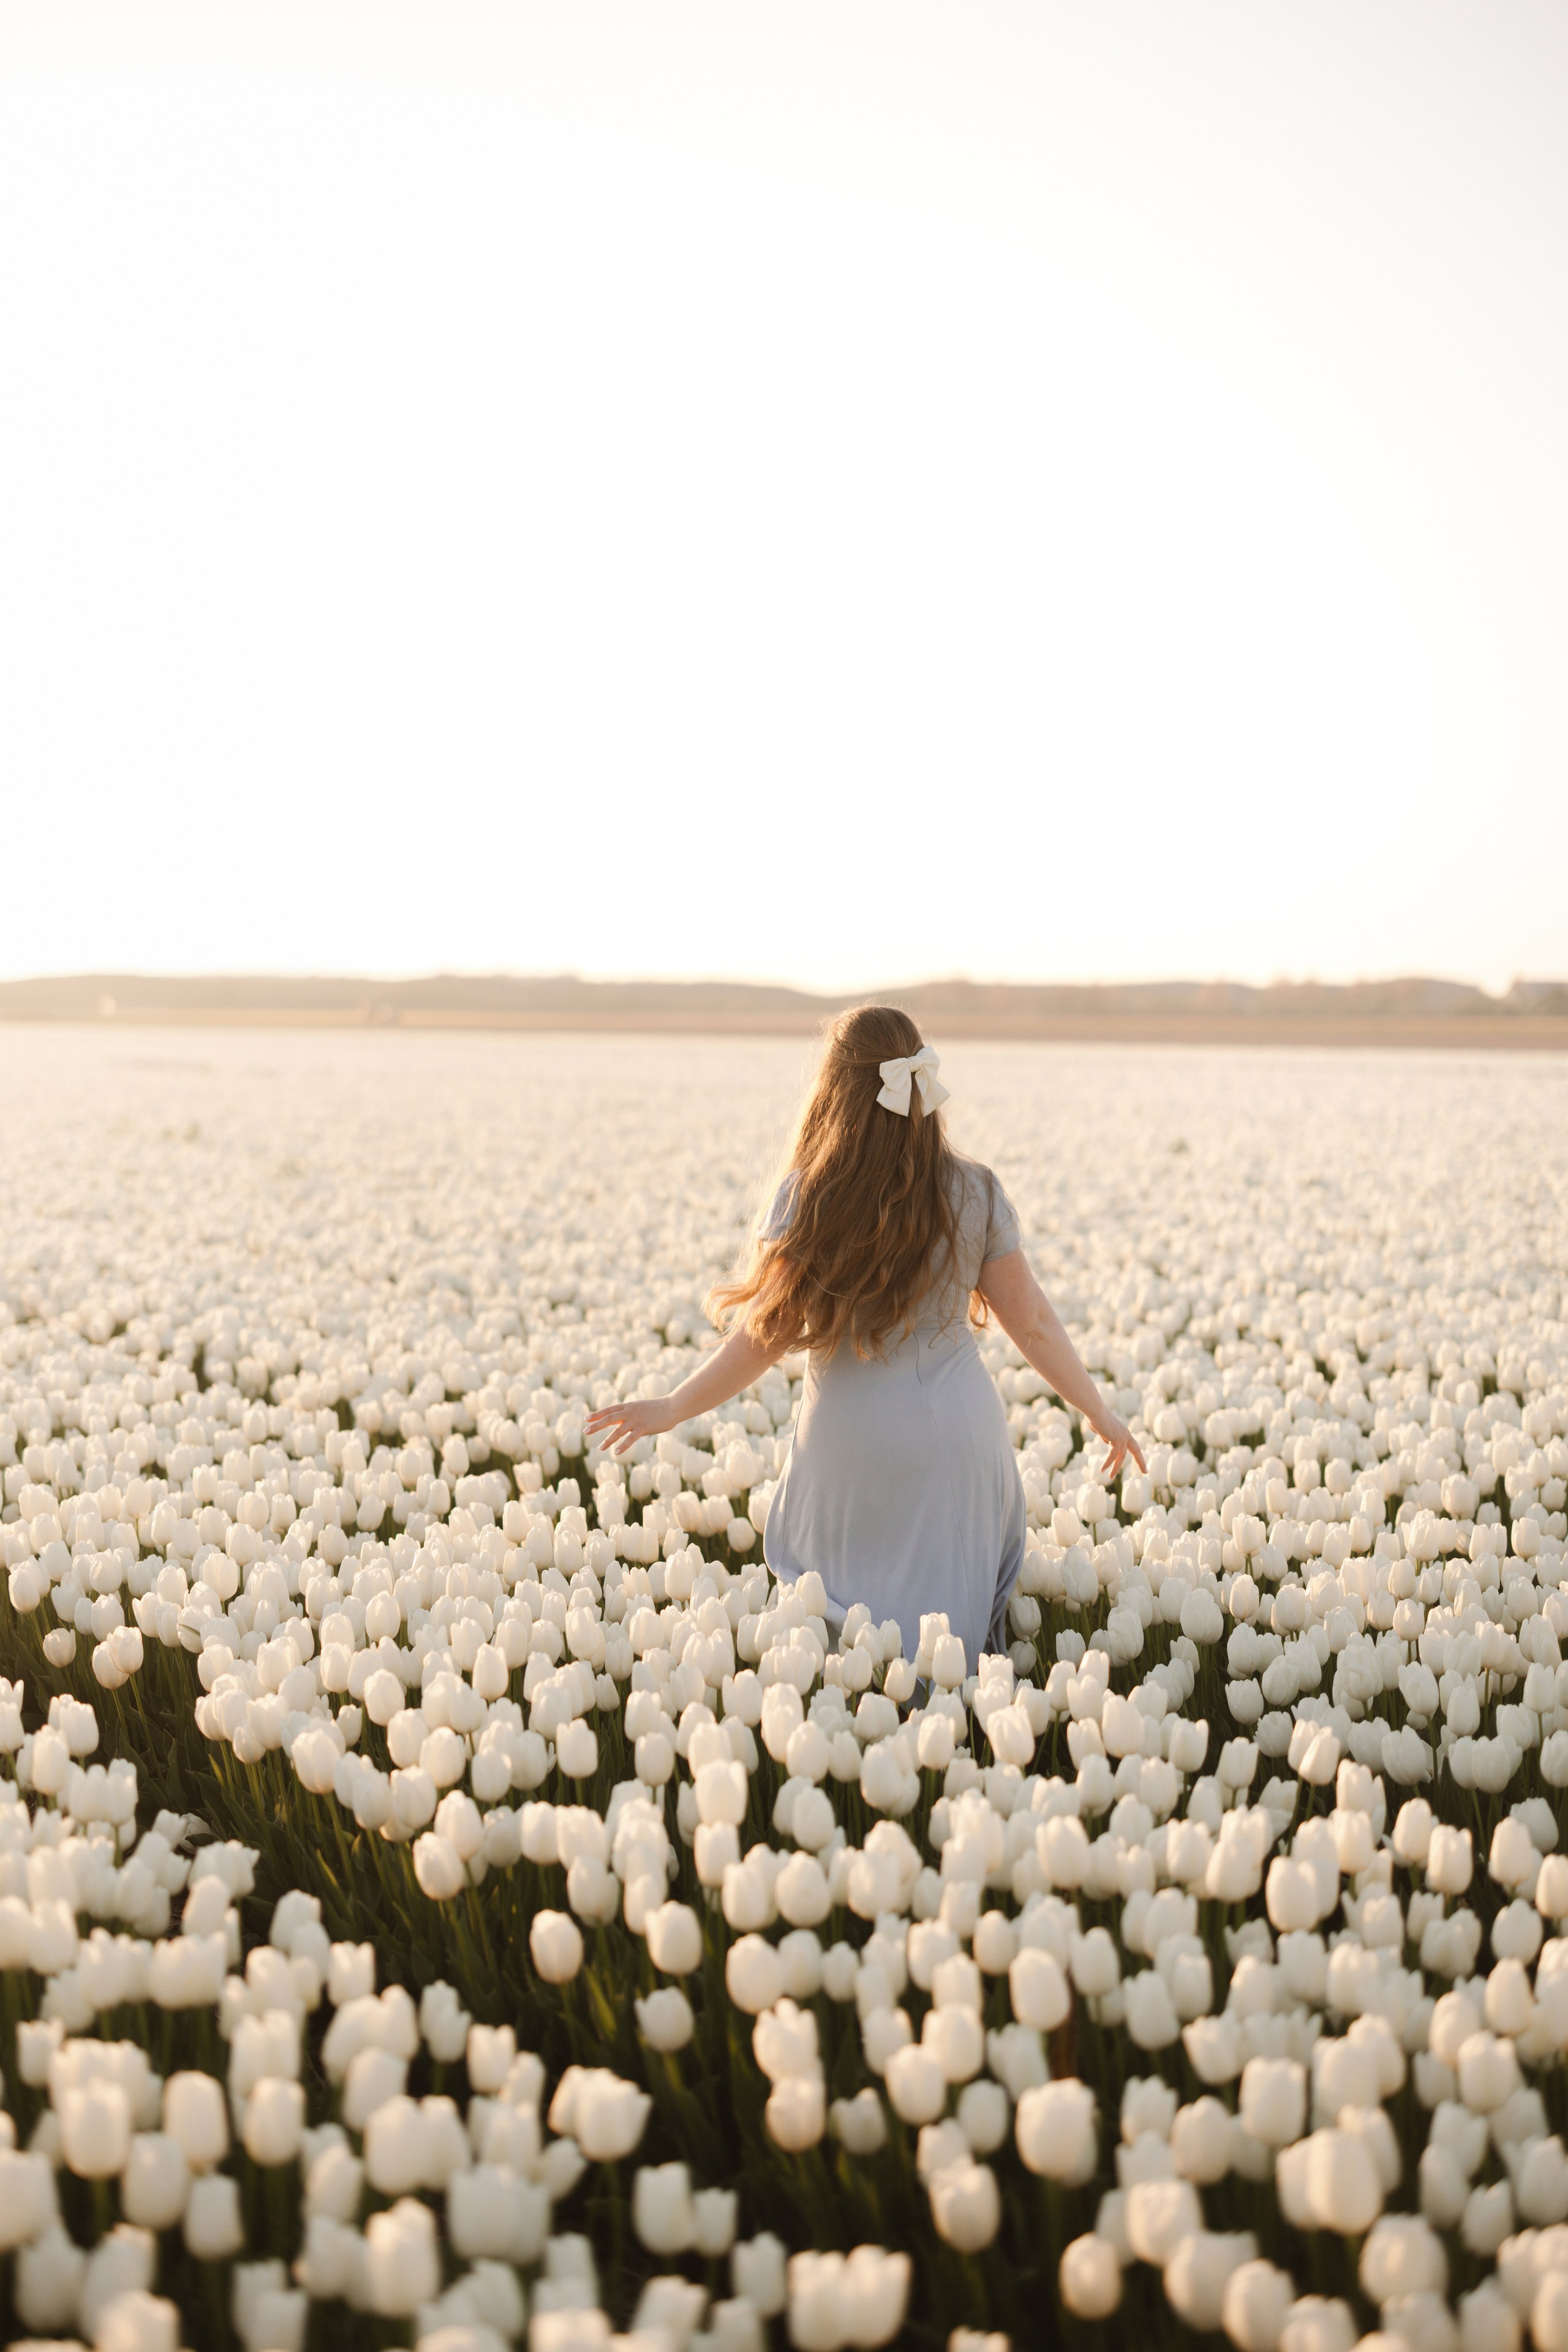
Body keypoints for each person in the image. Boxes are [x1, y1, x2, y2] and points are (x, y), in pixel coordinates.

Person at [584, 1004, 1145, 1668]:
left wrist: (673, 1406)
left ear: (834, 1090)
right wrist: (1099, 1412)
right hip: (956, 1446)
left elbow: (763, 1337)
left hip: (849, 1452)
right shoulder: (976, 1191)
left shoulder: (806, 1197)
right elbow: (1034, 1324)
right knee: (945, 1657)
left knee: (839, 1659)